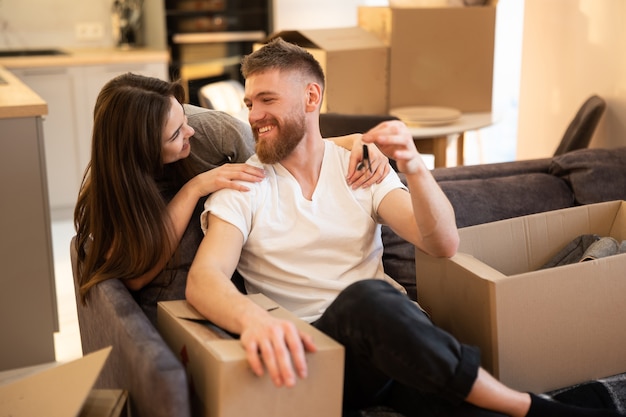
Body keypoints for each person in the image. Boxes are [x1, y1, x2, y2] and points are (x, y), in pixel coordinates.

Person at [185, 38, 623, 417]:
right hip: (322, 356)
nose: (255, 115)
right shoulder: (245, 185)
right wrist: (254, 321)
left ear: (312, 97)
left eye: (268, 100)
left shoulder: (362, 167)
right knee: (367, 299)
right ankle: (528, 405)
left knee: (465, 408)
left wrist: (413, 166)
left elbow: (443, 243)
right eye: (249, 103)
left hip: (397, 339)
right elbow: (205, 281)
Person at [73, 72, 388, 325]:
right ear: (139, 150)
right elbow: (135, 278)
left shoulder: (213, 132)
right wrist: (193, 188)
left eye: (184, 117)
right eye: (174, 135)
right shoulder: (114, 182)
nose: (189, 132)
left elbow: (283, 155)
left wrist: (352, 140)